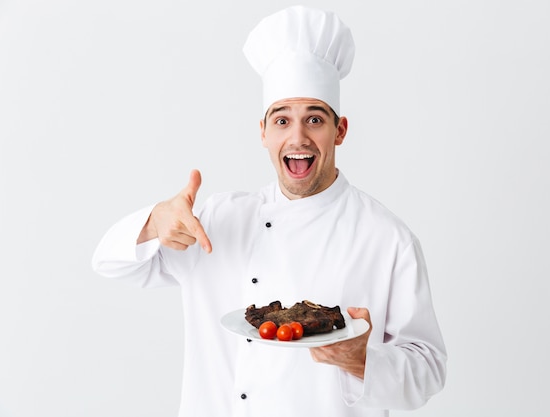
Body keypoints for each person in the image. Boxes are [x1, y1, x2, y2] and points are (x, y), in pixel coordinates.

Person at [92, 5, 447, 417]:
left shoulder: (387, 238)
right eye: (281, 121)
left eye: (314, 119)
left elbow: (429, 368)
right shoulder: (220, 218)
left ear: (341, 130)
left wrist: (361, 360)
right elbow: (108, 262)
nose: (298, 137)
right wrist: (154, 221)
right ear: (263, 132)